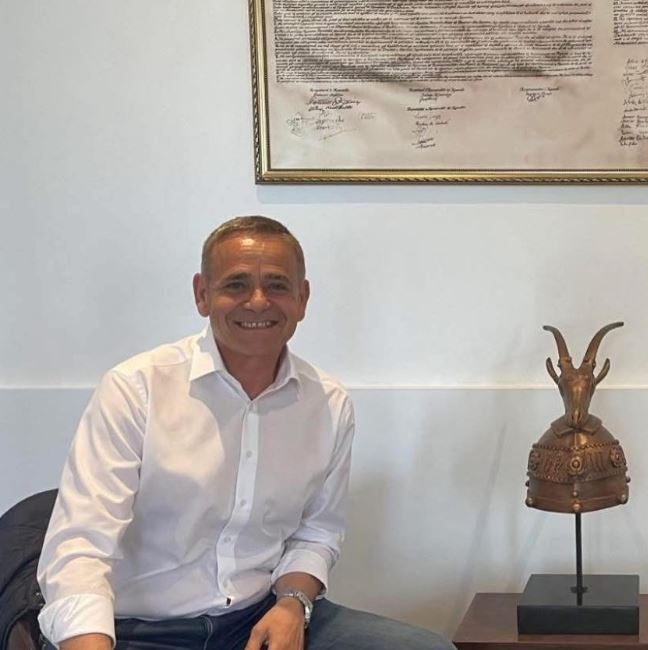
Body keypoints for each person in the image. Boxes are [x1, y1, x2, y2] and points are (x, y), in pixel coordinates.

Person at [37, 216, 456, 650]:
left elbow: (317, 533)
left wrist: (293, 605)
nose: (258, 302)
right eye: (236, 285)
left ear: (302, 298)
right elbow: (79, 548)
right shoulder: (136, 389)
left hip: (258, 618)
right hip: (135, 629)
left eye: (276, 285)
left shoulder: (328, 404)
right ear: (202, 294)